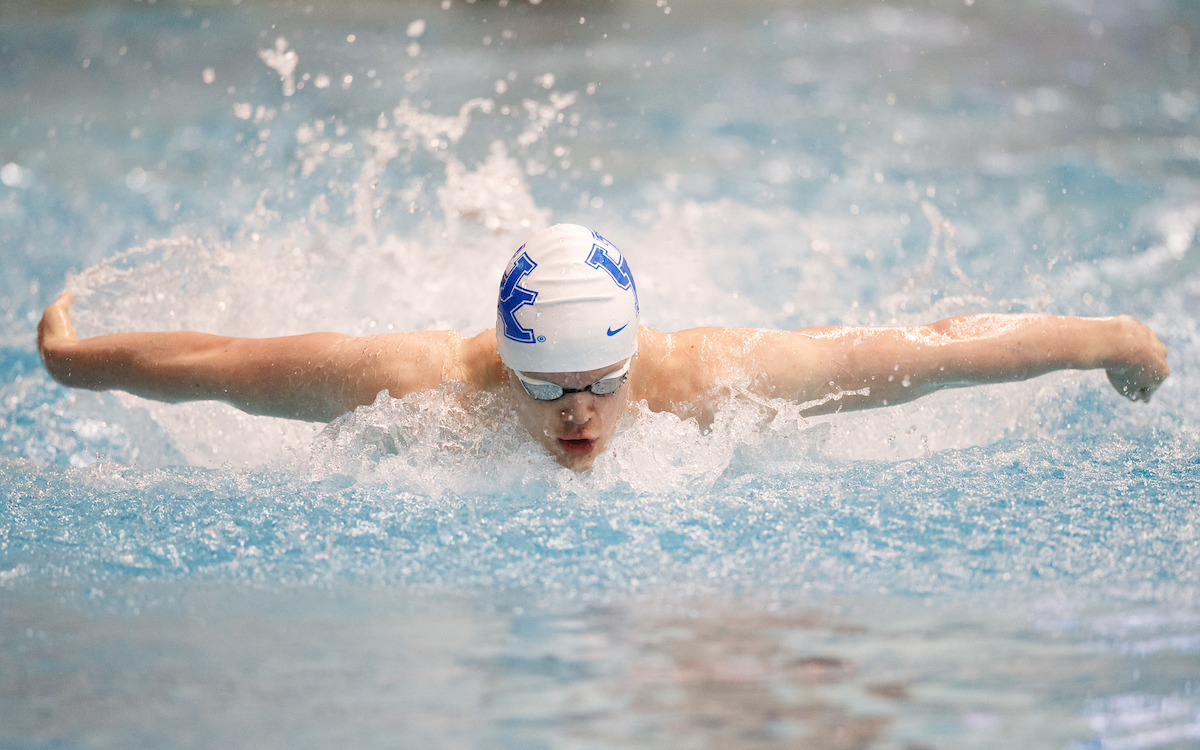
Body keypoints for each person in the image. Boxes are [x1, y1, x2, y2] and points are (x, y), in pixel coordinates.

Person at [37, 223, 1169, 470]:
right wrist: (77, 360)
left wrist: (1106, 337)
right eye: (550, 390)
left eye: (599, 385)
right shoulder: (416, 384)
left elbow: (926, 349)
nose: (579, 413)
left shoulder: (705, 380)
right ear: (504, 362)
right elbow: (219, 365)